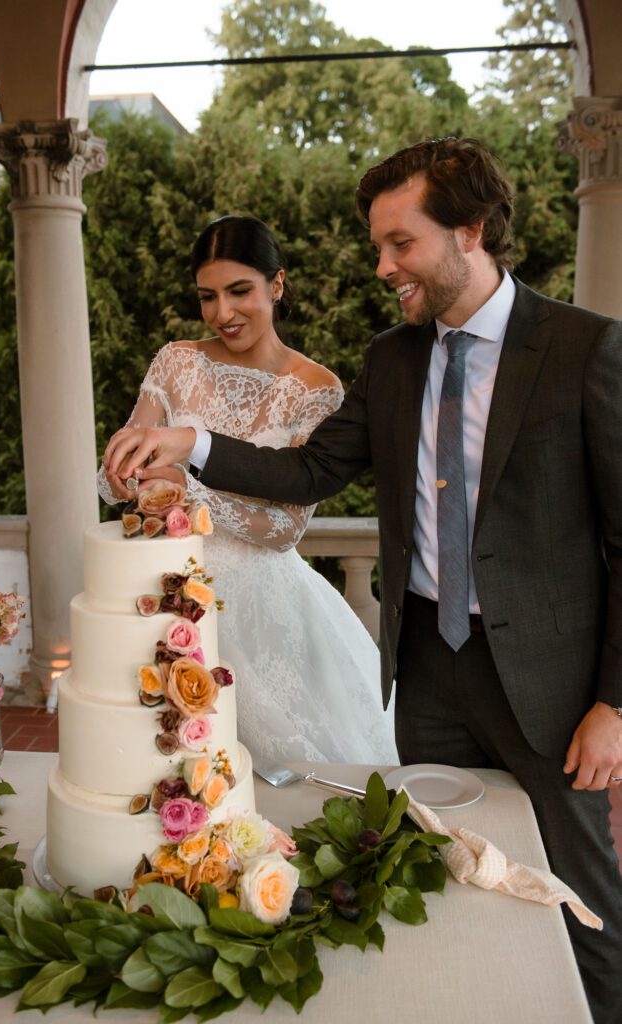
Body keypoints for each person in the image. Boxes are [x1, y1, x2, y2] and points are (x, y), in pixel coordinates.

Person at [106, 139, 622, 1024]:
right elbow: (307, 476)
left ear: (470, 230)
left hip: (555, 689)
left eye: (400, 244)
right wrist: (192, 444)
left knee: (581, 900)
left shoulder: (585, 349)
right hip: (424, 671)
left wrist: (616, 702)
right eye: (377, 246)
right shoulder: (392, 360)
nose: (383, 267)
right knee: (442, 868)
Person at [101, 214, 396, 766]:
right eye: (207, 297)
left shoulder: (315, 388)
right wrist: (124, 471)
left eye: (240, 291)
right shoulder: (176, 361)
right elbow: (123, 472)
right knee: (160, 763)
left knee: (274, 775)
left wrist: (192, 493)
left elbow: (285, 528)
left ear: (277, 285)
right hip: (163, 592)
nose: (222, 313)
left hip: (262, 609)